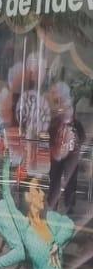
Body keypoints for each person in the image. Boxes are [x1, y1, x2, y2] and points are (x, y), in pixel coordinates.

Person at [47, 83, 84, 215]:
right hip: (57, 156)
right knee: (55, 179)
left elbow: (82, 137)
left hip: (71, 157)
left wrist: (75, 146)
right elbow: (50, 135)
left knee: (71, 181)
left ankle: (69, 204)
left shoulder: (77, 124)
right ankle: (53, 203)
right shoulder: (55, 122)